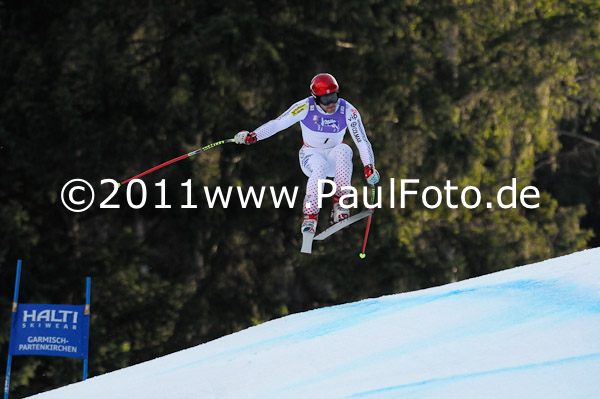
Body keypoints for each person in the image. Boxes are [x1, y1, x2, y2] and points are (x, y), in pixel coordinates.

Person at [235, 73, 379, 234]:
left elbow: (362, 141)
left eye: (334, 96)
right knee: (321, 167)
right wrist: (253, 136)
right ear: (316, 99)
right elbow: (278, 124)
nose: (331, 103)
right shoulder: (305, 107)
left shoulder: (348, 110)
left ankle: (341, 205)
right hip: (311, 155)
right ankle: (310, 215)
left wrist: (369, 166)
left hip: (334, 157)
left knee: (345, 149)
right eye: (325, 99)